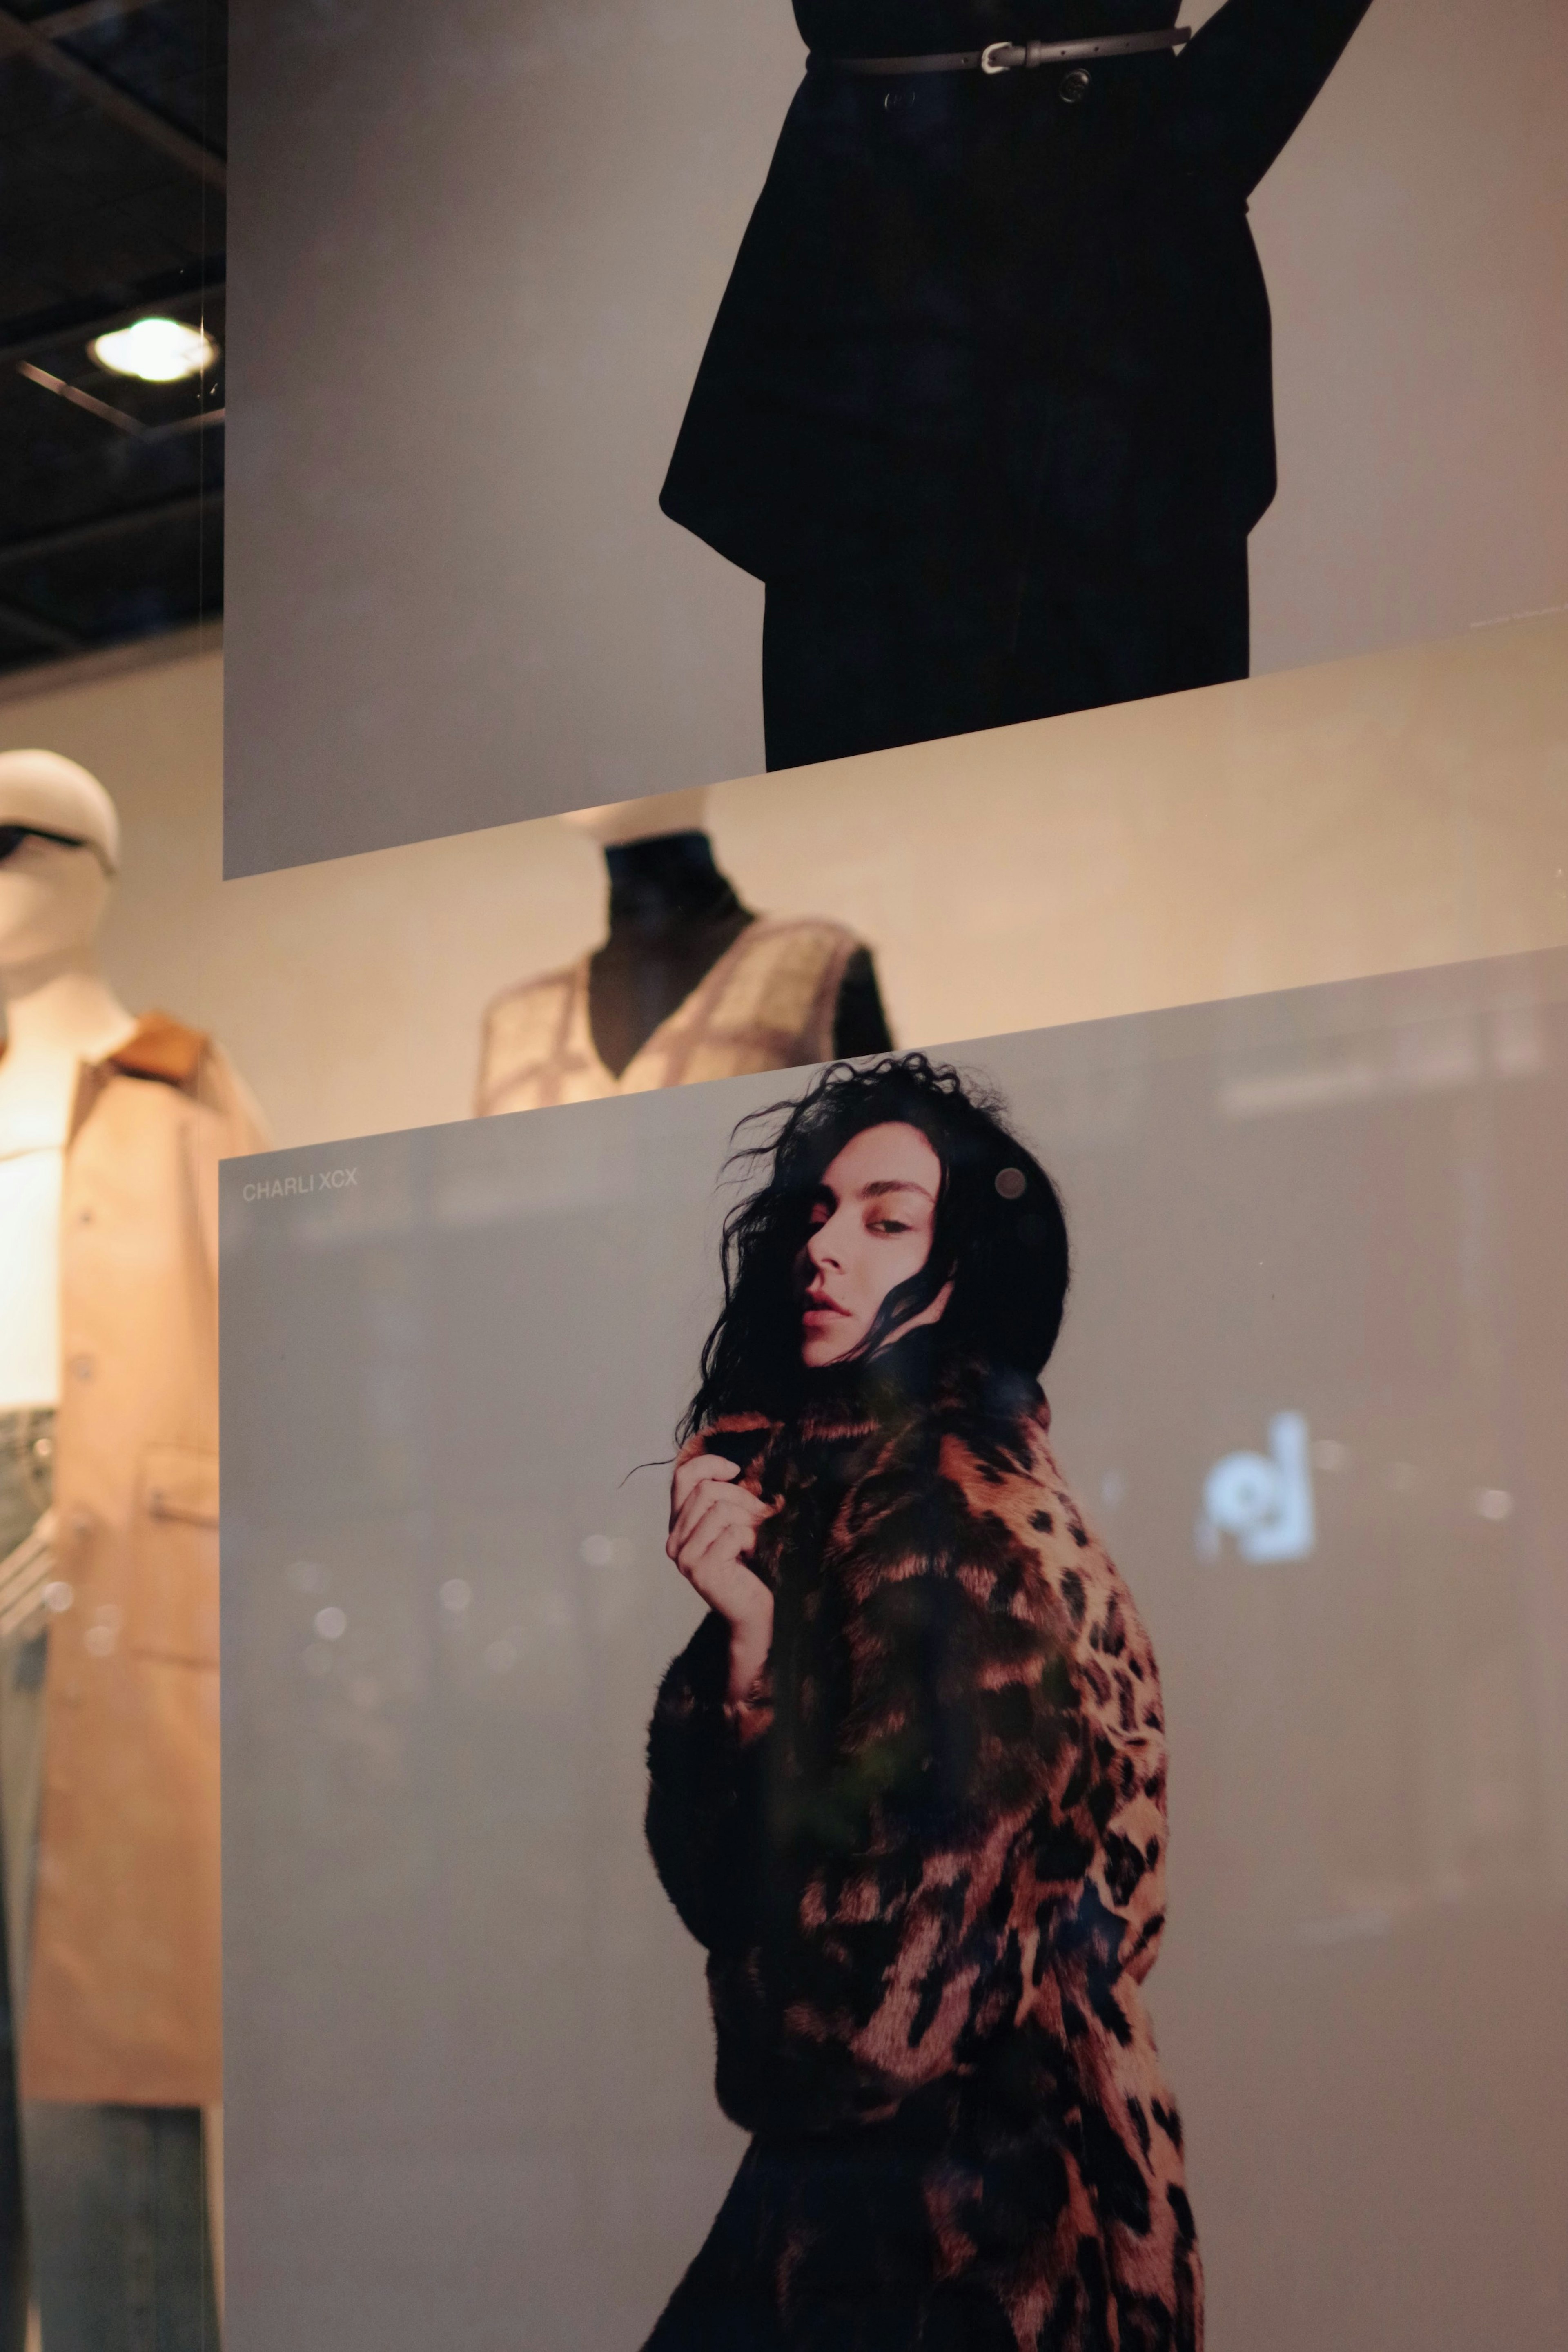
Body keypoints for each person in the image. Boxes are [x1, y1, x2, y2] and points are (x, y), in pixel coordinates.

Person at [644, 1055, 1200, 2348]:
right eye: (819, 1214)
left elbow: (868, 2020)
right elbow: (734, 1889)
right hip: (916, 2228)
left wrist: (764, 2023)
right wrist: (751, 1654)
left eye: (887, 1222)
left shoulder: (949, 1527)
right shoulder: (860, 1508)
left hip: (973, 2257)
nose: (824, 1251)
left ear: (965, 1274)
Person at [660, 0, 1378, 771]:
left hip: (1119, 268)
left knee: (1135, 799)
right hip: (865, 252)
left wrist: (1194, 154)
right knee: (869, 803)